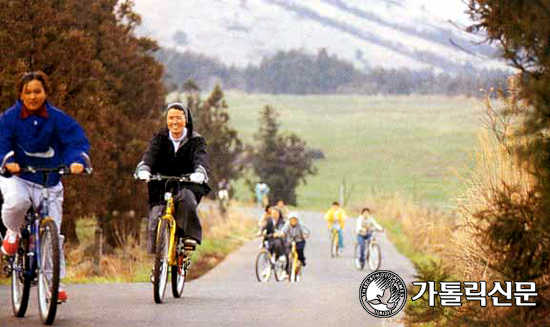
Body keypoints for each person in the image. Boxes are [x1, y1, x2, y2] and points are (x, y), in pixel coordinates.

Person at [0, 71, 90, 302]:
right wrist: (8, 161)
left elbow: (74, 141)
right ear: (20, 95)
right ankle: (13, 232)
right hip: (18, 178)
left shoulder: (58, 119)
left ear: (46, 93)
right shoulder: (9, 118)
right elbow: (2, 141)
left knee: (53, 233)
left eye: (37, 91)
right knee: (17, 203)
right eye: (27, 92)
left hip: (49, 180)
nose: (32, 96)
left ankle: (53, 284)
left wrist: (78, 160)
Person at [135, 102, 211, 255]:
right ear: (166, 120)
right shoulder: (159, 138)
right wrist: (144, 169)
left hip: (188, 183)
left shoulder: (196, 140)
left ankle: (190, 236)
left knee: (186, 199)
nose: (174, 122)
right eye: (170, 118)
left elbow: (200, 159)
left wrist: (199, 173)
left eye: (178, 117)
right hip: (161, 183)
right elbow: (149, 156)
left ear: (186, 120)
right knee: (156, 216)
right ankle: (158, 259)